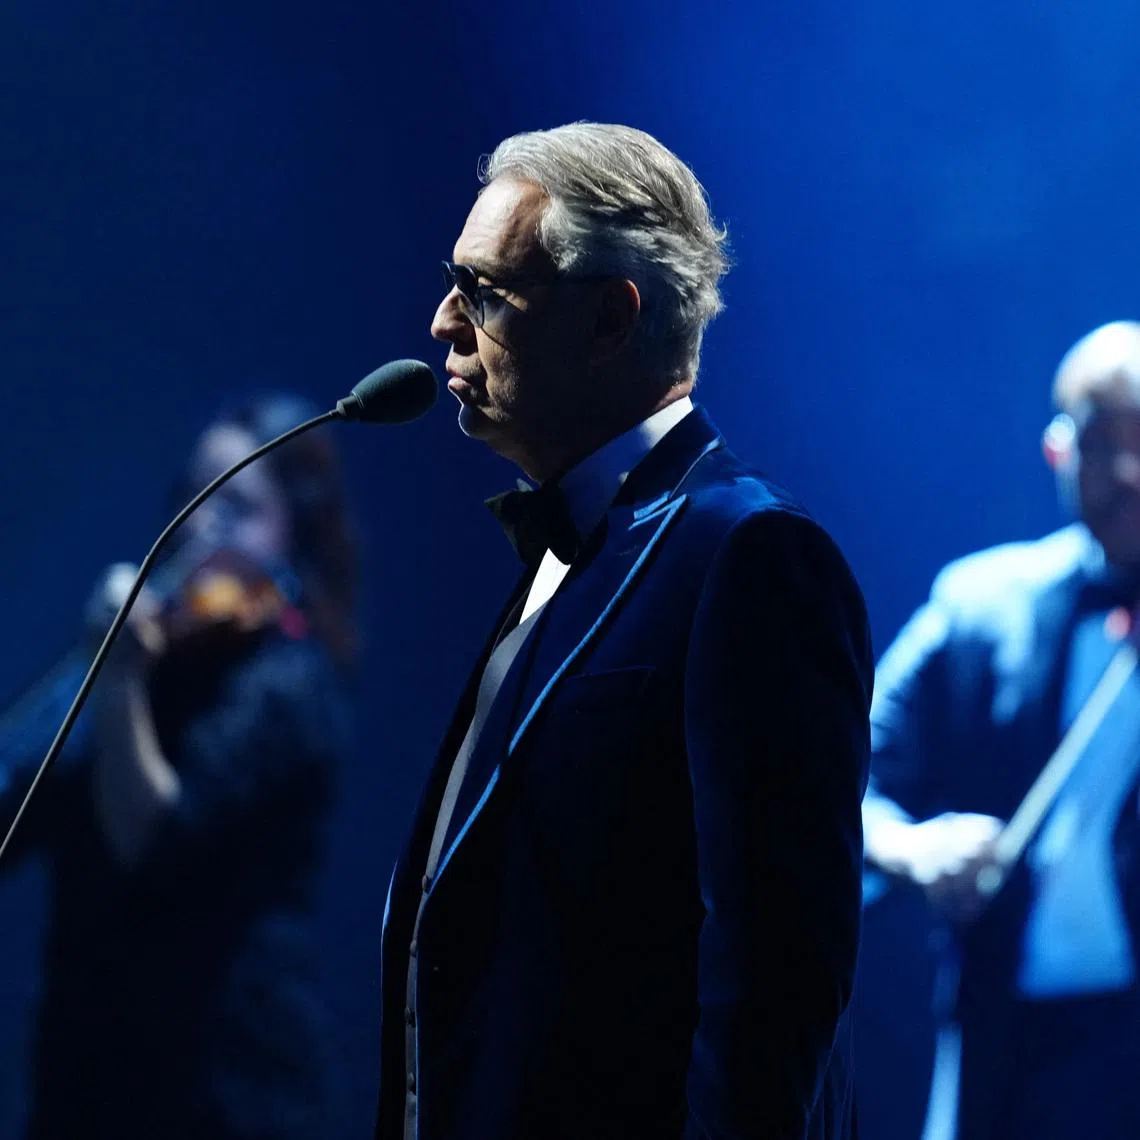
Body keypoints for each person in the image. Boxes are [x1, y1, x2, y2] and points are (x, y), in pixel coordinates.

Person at [374, 123, 873, 1140]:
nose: (440, 324)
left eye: (484, 291)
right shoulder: (574, 534)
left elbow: (778, 976)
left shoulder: (750, 552)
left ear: (610, 318)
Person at [0, 394, 357, 1140]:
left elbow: (154, 844)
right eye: (194, 498)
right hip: (85, 1087)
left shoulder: (288, 683)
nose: (204, 527)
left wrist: (122, 676)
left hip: (219, 1093)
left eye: (239, 506)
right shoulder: (155, 658)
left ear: (293, 532)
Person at [864, 320, 1140, 1139]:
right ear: (1060, 453)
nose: (1130, 473)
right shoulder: (980, 606)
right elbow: (839, 778)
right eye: (1103, 445)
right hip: (1006, 1044)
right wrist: (914, 850)